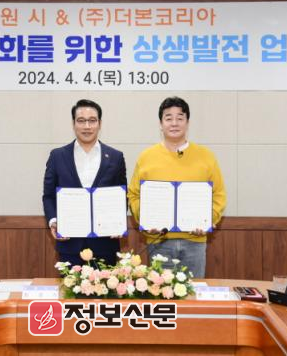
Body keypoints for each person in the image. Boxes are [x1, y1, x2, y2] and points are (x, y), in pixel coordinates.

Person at [128, 96, 226, 278]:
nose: (174, 123)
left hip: (195, 241)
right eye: (168, 118)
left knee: (193, 291)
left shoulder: (206, 156)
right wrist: (146, 219)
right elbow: (133, 194)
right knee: (160, 292)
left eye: (180, 118)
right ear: (160, 123)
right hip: (159, 240)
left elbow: (219, 194)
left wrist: (207, 220)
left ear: (187, 122)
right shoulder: (146, 157)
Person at [43, 99, 127, 267]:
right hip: (69, 243)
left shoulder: (115, 157)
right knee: (69, 285)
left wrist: (118, 221)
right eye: (81, 121)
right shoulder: (57, 156)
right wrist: (53, 221)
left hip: (105, 243)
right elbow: (49, 196)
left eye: (92, 120)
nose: (87, 126)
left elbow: (121, 196)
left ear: (100, 123)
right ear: (73, 123)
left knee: (107, 285)